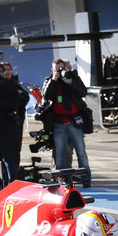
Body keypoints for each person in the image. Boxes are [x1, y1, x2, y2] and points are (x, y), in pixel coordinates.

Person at [42, 59, 91, 187]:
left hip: (74, 121)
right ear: (52, 70)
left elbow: (83, 92)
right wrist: (53, 80)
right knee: (60, 154)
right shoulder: (49, 81)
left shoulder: (72, 77)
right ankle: (61, 181)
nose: (59, 71)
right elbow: (46, 96)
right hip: (59, 123)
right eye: (56, 69)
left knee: (81, 153)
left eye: (61, 69)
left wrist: (70, 82)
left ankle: (86, 179)